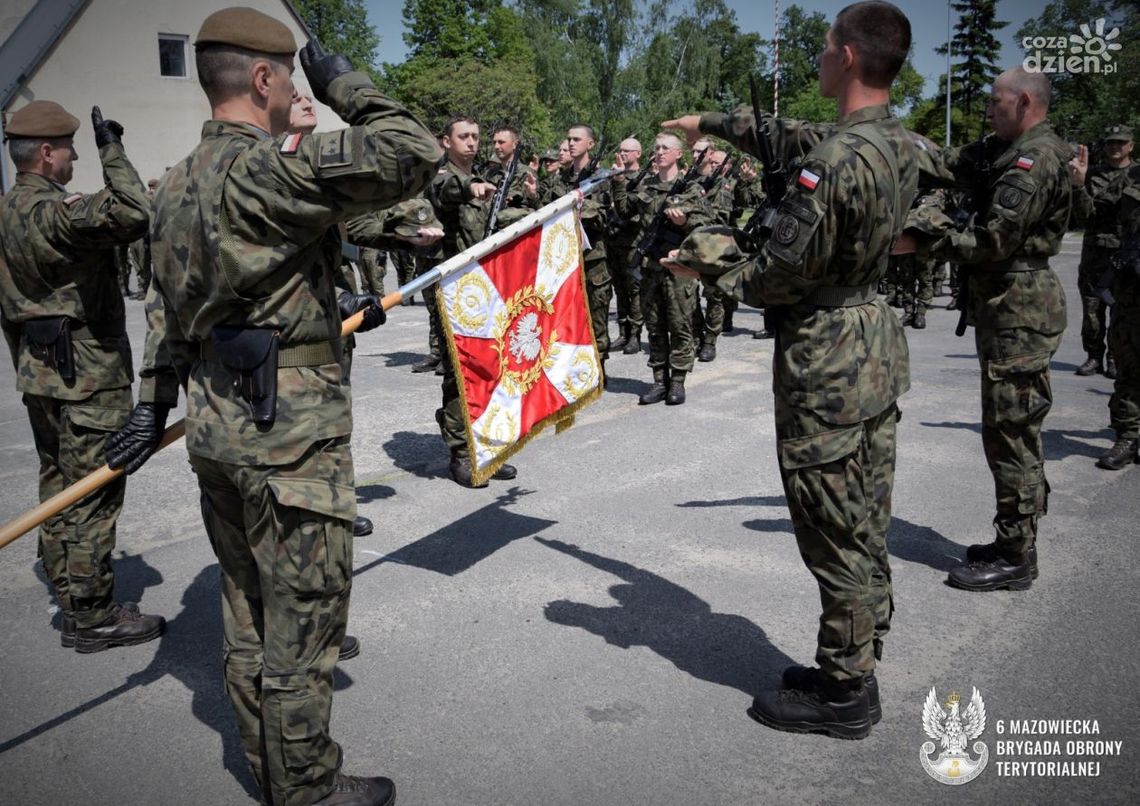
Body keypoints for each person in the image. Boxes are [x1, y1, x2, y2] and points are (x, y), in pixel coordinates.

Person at [104, 8, 441, 804]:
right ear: (262, 79)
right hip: (290, 438)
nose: (296, 89)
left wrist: (152, 404)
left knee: (247, 608)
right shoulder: (268, 167)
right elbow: (412, 152)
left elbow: (161, 314)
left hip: (218, 431)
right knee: (302, 622)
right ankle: (305, 788)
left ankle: (270, 766)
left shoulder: (174, 182)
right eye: (288, 75)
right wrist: (346, 84)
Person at [662, 0, 916, 738]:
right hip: (872, 340)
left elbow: (774, 278)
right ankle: (856, 648)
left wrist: (704, 259)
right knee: (865, 510)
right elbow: (780, 133)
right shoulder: (896, 143)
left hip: (827, 358)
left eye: (828, 42)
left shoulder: (832, 162)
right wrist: (706, 123)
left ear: (847, 56)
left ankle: (844, 694)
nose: (820, 52)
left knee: (830, 523)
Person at [0, 100, 165, 653]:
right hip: (88, 377)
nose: (74, 156)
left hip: (39, 372)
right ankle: (92, 615)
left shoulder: (5, 212)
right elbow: (136, 211)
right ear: (47, 154)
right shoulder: (57, 211)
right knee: (94, 490)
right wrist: (111, 148)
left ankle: (70, 587)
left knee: (56, 481)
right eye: (69, 147)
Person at [900, 67, 1071, 592]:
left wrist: (923, 238)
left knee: (1012, 430)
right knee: (1007, 426)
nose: (987, 111)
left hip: (1018, 309)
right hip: (1007, 307)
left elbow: (993, 239)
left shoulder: (1034, 159)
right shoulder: (1008, 150)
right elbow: (950, 163)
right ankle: (1012, 540)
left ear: (1023, 101)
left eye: (995, 102)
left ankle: (1017, 555)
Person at [428, 116, 522, 487]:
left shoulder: (486, 177)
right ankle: (461, 452)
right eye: (463, 136)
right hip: (450, 286)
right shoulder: (439, 176)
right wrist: (472, 187)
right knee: (459, 368)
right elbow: (448, 190)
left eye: (475, 137)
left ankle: (489, 446)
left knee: (492, 365)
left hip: (486, 285)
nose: (471, 142)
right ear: (446, 141)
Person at [613, 133, 712, 406]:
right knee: (655, 326)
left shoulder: (691, 188)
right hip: (649, 268)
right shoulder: (646, 185)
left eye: (665, 148)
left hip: (678, 269)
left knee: (680, 325)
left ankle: (677, 382)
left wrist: (683, 225)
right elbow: (623, 209)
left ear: (679, 154)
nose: (659, 152)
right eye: (656, 148)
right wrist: (620, 181)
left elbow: (706, 224)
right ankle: (659, 381)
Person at [1071, 147, 1140, 471]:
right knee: (1128, 366)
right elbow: (1096, 218)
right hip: (1130, 288)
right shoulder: (1132, 179)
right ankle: (1127, 437)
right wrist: (1081, 184)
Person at [1073, 124, 1133, 379]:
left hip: (1125, 253)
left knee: (1121, 309)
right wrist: (1078, 183)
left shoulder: (1137, 175)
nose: (1115, 146)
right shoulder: (1091, 174)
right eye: (1110, 142)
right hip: (1095, 251)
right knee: (1092, 308)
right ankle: (1094, 356)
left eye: (1120, 142)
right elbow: (1083, 215)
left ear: (1131, 145)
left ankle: (1114, 358)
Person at [607, 137, 646, 355]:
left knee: (634, 290)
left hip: (633, 241)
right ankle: (623, 331)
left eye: (627, 151)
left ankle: (635, 335)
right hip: (614, 240)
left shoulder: (646, 178)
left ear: (638, 154)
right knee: (619, 290)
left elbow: (637, 209)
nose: (622, 154)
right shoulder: (613, 176)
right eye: (620, 150)